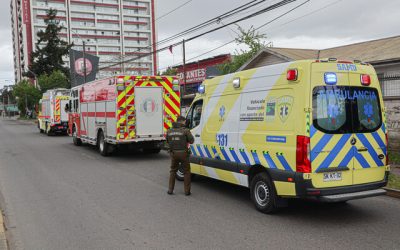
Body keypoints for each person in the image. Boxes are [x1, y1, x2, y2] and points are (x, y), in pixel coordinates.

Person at [166, 115, 194, 195]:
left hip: (173, 153)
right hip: (184, 154)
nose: (185, 123)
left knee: (173, 171)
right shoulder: (186, 130)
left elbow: (167, 142)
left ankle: (170, 190)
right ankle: (187, 191)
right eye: (184, 121)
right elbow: (192, 141)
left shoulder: (169, 131)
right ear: (182, 121)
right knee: (187, 171)